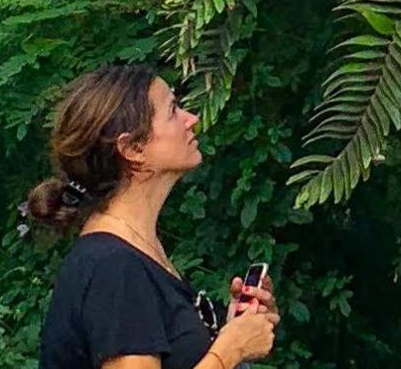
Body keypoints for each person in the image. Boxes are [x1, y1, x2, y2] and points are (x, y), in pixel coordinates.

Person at [26, 64, 279, 369]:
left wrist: (233, 331)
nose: (192, 119)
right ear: (132, 148)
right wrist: (230, 350)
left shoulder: (137, 252)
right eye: (173, 111)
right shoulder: (112, 267)